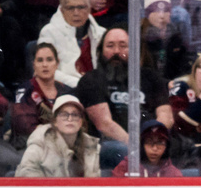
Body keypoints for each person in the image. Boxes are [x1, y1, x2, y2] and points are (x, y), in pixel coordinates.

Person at [74, 27, 173, 171]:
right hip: (111, 146)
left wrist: (152, 141)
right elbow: (105, 124)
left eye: (122, 46)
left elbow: (166, 117)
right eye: (110, 46)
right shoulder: (91, 80)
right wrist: (138, 147)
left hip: (150, 143)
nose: (116, 51)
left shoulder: (151, 77)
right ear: (100, 51)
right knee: (118, 149)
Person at [36, 0, 106, 89]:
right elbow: (47, 70)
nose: (76, 13)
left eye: (81, 7)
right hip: (63, 88)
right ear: (62, 10)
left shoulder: (101, 33)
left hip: (96, 89)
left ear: (89, 8)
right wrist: (79, 84)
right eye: (70, 8)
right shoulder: (49, 32)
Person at [17, 94, 100, 178]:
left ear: (80, 122)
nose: (70, 119)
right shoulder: (40, 141)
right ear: (55, 121)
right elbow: (26, 173)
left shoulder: (91, 146)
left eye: (75, 115)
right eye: (64, 114)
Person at [10, 42, 76, 147]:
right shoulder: (25, 91)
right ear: (34, 65)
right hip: (33, 146)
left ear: (57, 63)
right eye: (40, 60)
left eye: (49, 60)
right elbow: (25, 127)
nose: (45, 65)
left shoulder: (68, 91)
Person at [141, 0, 191, 82]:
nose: (161, 15)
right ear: (147, 13)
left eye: (166, 10)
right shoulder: (140, 37)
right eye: (155, 10)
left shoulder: (176, 38)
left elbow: (184, 66)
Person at [112, 118, 182, 177]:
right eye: (149, 142)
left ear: (167, 146)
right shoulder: (126, 168)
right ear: (141, 145)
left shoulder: (173, 174)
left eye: (160, 143)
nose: (154, 148)